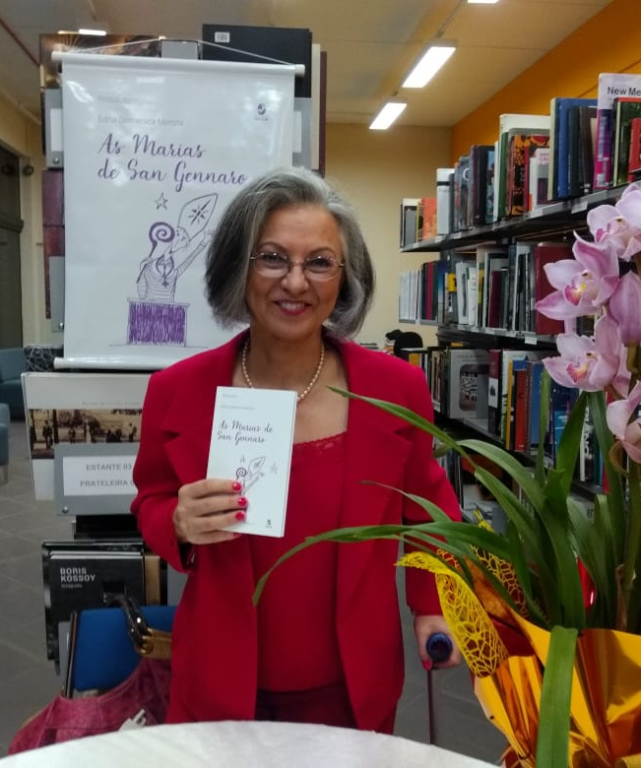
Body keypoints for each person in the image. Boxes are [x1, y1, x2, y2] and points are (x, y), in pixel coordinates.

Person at [131, 167, 462, 734]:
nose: (295, 282)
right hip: (219, 682)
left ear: (344, 278)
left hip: (351, 690)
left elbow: (429, 511)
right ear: (239, 267)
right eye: (272, 258)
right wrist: (178, 523)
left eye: (319, 262)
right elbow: (150, 502)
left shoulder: (394, 390)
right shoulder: (176, 391)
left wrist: (432, 605)